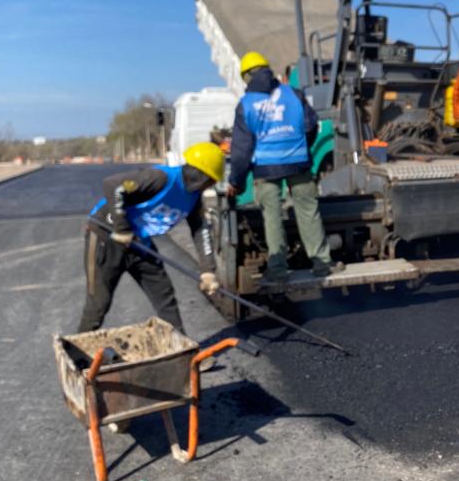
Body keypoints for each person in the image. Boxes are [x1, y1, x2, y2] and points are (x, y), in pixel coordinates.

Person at [77, 142, 224, 334]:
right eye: (211, 180)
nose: (210, 185)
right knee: (98, 304)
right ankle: (78, 359)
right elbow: (113, 185)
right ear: (201, 175)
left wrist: (208, 271)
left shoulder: (194, 198)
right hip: (107, 236)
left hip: (140, 243)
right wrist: (122, 228)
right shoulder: (160, 178)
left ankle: (182, 354)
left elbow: (200, 230)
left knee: (164, 297)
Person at [226, 51, 342, 282]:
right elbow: (312, 126)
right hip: (298, 163)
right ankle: (321, 263)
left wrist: (236, 181)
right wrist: (301, 149)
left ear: (247, 76)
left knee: (272, 216)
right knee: (308, 210)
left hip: (265, 169)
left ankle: (278, 269)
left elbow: (242, 148)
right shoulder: (293, 94)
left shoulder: (247, 104)